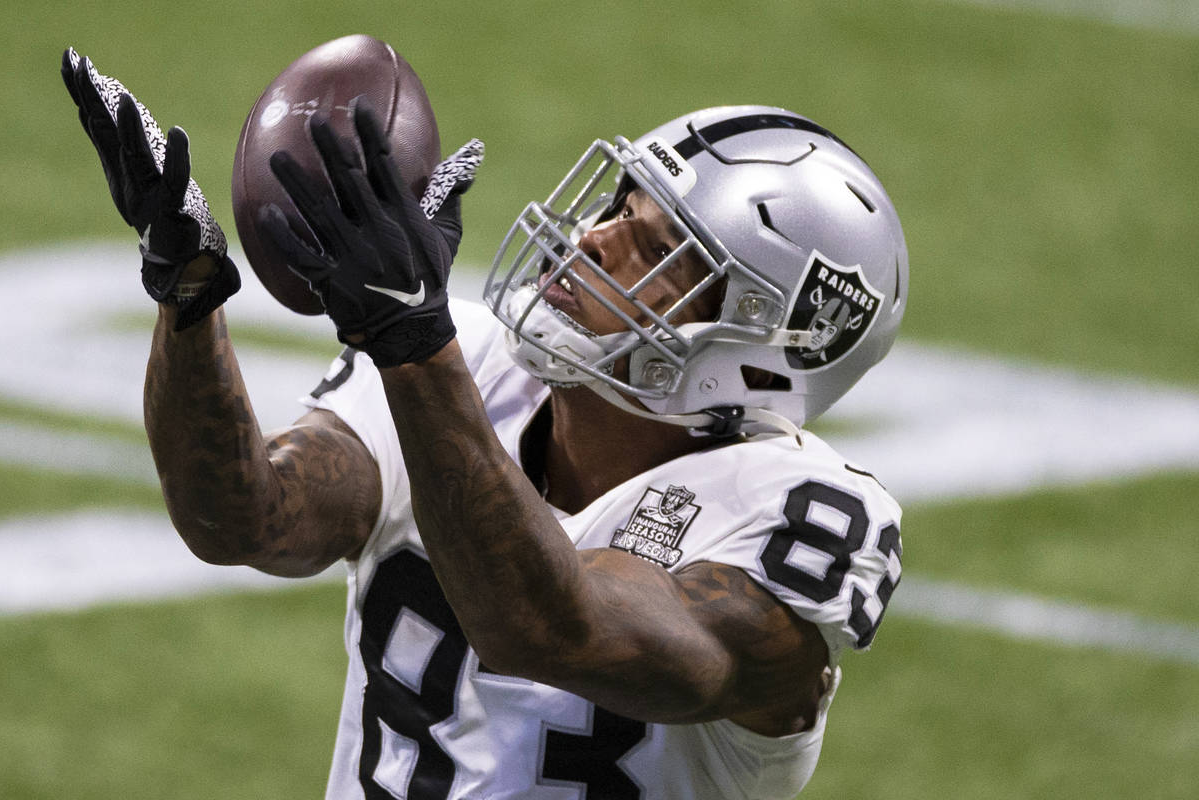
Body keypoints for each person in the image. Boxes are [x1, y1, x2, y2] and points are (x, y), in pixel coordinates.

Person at [62, 44, 907, 800]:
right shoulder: (467, 364)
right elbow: (244, 519)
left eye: (656, 250)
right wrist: (188, 293)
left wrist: (413, 345)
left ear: (758, 350)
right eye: (616, 207)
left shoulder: (792, 515)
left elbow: (550, 628)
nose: (592, 239)